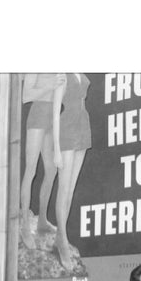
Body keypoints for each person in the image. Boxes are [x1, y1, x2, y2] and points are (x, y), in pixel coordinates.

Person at [20, 73, 65, 249]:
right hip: (38, 115)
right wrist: (51, 85)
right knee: (31, 170)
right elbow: (26, 96)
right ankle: (24, 226)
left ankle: (42, 220)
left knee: (52, 170)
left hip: (54, 118)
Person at [52, 73, 92, 270]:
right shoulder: (62, 73)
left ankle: (60, 237)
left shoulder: (81, 73)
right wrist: (56, 150)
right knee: (63, 189)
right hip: (67, 128)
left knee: (71, 190)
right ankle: (63, 242)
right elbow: (55, 112)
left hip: (83, 125)